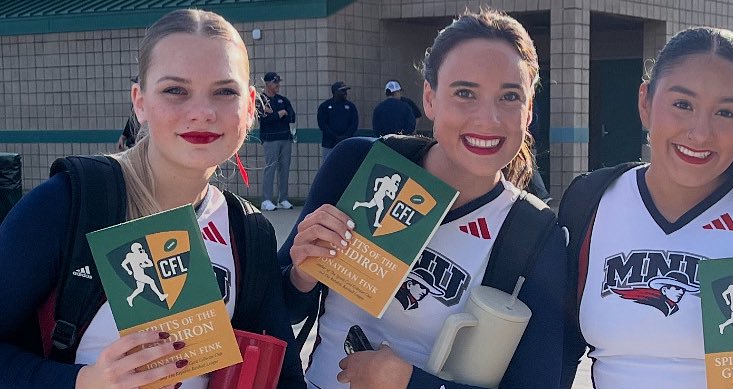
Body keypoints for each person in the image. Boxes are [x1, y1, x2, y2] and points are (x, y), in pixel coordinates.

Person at [0, 8, 305, 389]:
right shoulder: (69, 203)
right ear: (139, 102)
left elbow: (286, 376)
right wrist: (82, 381)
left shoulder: (247, 230)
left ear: (248, 107)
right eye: (175, 90)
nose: (202, 112)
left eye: (225, 91)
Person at [280, 8, 567, 389]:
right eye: (465, 93)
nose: (488, 118)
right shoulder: (361, 163)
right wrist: (301, 274)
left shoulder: (533, 232)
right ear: (429, 99)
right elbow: (279, 307)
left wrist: (408, 382)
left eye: (509, 97)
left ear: (529, 111)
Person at [560, 27, 733, 388]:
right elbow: (554, 345)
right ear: (645, 102)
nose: (700, 133)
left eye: (725, 113)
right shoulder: (589, 202)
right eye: (683, 105)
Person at [257, 71, 296, 211]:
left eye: (278, 82)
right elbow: (264, 120)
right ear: (267, 84)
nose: (277, 85)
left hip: (285, 137)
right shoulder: (261, 100)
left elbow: (291, 116)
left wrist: (276, 114)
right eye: (275, 82)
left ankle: (283, 199)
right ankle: (266, 199)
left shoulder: (283, 100)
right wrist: (278, 114)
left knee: (284, 168)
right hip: (270, 139)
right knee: (270, 168)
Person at [317, 81, 358, 161]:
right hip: (329, 144)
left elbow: (354, 123)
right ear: (335, 92)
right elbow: (322, 124)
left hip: (346, 143)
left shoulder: (350, 106)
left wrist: (345, 136)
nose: (345, 93)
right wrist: (335, 137)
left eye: (346, 91)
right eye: (343, 91)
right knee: (329, 168)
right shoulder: (325, 106)